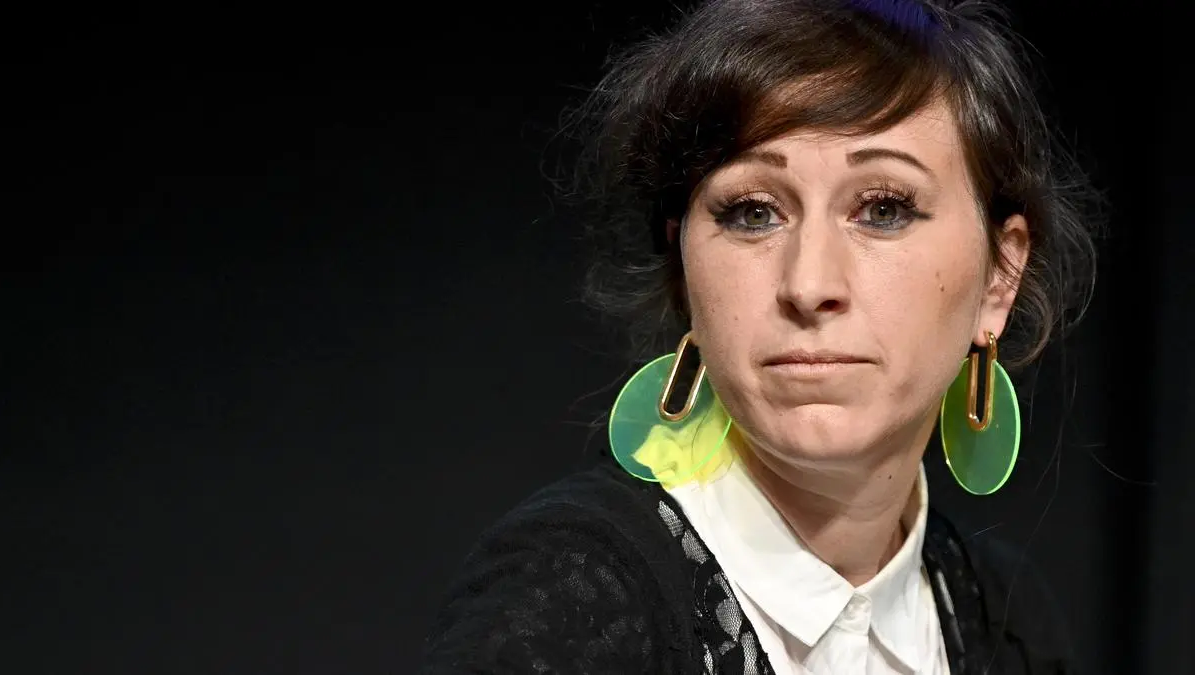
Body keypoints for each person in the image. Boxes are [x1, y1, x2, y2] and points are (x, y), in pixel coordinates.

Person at [421, 0, 1101, 673]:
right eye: (752, 212)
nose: (808, 284)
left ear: (999, 278)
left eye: (883, 209)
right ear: (683, 269)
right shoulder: (567, 606)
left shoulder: (1011, 623)